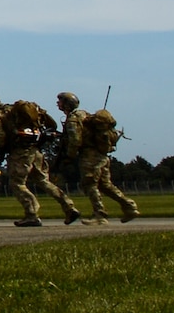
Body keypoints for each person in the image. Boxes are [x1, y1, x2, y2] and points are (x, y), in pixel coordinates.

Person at [0, 94, 80, 227]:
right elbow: (51, 124)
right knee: (43, 181)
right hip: (35, 150)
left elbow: (0, 135)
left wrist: (2, 149)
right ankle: (69, 207)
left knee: (17, 183)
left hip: (20, 152)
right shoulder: (15, 109)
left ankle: (31, 214)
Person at [58, 92, 139, 224]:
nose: (58, 104)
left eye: (60, 101)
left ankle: (99, 215)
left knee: (90, 184)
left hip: (90, 156)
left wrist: (69, 156)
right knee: (105, 185)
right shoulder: (84, 114)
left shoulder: (73, 119)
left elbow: (75, 140)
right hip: (101, 155)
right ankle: (130, 207)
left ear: (66, 104)